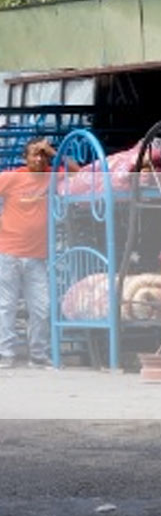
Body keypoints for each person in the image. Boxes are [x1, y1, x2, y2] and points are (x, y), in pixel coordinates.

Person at [0, 138, 56, 368]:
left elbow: (78, 172)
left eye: (43, 155)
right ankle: (6, 354)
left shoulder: (51, 175)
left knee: (42, 307)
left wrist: (55, 152)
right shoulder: (12, 177)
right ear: (25, 158)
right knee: (6, 306)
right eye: (35, 154)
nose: (39, 159)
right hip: (8, 252)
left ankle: (38, 354)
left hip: (37, 256)